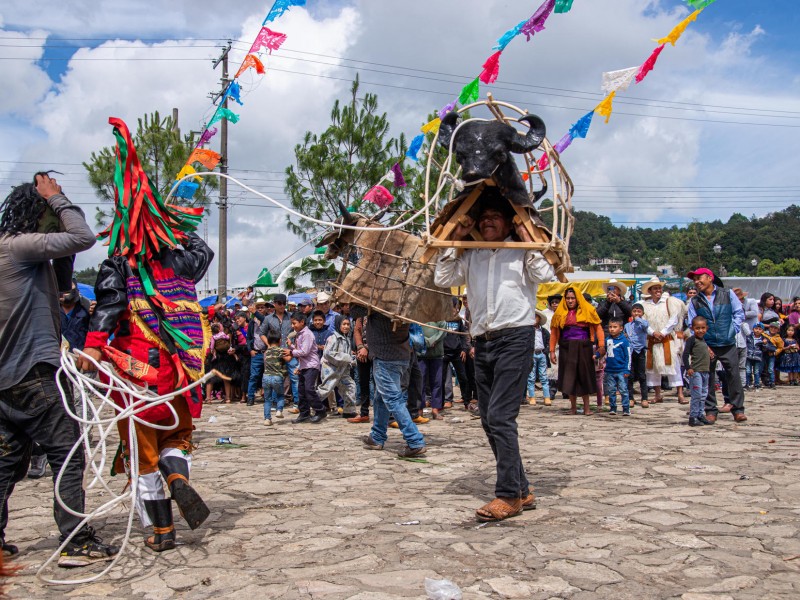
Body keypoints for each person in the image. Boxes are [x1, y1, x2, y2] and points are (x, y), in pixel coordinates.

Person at [80, 119, 213, 553]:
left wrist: (93, 349)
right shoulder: (180, 258)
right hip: (179, 370)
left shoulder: (118, 263)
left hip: (137, 376)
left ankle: (162, 531)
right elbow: (203, 252)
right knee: (179, 435)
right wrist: (174, 227)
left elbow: (108, 306)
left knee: (143, 453)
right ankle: (180, 477)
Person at [0, 173, 118, 566]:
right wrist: (60, 199)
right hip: (34, 374)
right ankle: (75, 539)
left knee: (5, 461)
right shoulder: (18, 247)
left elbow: (64, 285)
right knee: (67, 453)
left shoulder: (16, 255)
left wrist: (61, 255)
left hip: (6, 380)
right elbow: (83, 237)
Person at [435, 190, 554, 522]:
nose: (487, 220)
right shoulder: (471, 255)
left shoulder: (520, 253)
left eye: (495, 216)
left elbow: (547, 275)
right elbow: (442, 277)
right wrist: (455, 238)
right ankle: (522, 489)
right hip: (482, 341)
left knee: (501, 417)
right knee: (489, 418)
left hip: (515, 337)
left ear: (510, 222)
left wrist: (528, 237)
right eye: (482, 216)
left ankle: (507, 496)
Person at [360, 312, 426, 458]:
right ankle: (377, 436)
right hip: (401, 356)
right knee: (380, 397)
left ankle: (415, 440)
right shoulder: (404, 304)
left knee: (393, 399)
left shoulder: (382, 303)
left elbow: (356, 311)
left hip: (385, 358)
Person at [686, 267, 746, 422]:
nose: (697, 282)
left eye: (700, 278)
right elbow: (691, 323)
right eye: (695, 280)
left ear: (710, 277)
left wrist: (733, 329)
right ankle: (710, 410)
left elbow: (739, 313)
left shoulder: (727, 294)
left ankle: (738, 409)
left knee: (733, 375)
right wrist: (702, 344)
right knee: (708, 377)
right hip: (708, 343)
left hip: (727, 342)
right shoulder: (695, 300)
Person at [549, 288, 604, 416]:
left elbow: (598, 328)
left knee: (584, 376)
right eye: (568, 298)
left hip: (584, 347)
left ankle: (587, 408)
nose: (570, 301)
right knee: (569, 377)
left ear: (578, 298)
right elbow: (554, 333)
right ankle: (573, 407)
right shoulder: (560, 312)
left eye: (572, 298)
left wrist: (601, 345)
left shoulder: (588, 310)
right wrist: (552, 350)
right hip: (566, 348)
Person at [641, 277, 687, 404]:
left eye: (659, 288)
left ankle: (680, 393)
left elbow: (674, 319)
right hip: (652, 339)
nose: (658, 290)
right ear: (649, 291)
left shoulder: (669, 302)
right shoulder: (645, 305)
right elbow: (643, 321)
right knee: (653, 367)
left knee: (674, 365)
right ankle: (657, 394)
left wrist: (663, 332)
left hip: (667, 338)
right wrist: (652, 332)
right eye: (655, 288)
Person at [284, 311, 327, 423]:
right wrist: (291, 346)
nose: (292, 326)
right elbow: (301, 350)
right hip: (304, 366)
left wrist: (291, 352)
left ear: (302, 322)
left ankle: (320, 410)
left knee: (309, 389)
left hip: (311, 365)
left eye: (294, 323)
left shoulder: (307, 334)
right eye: (292, 323)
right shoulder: (300, 334)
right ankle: (304, 413)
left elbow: (304, 351)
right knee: (301, 391)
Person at [316, 316, 357, 417]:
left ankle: (349, 411)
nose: (346, 326)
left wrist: (352, 359)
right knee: (325, 390)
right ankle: (309, 406)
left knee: (350, 387)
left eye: (348, 324)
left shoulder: (346, 338)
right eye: (344, 324)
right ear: (339, 325)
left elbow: (346, 354)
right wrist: (347, 357)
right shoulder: (333, 338)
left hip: (343, 370)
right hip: (331, 370)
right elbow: (328, 353)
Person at [682, 316, 713, 427]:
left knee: (704, 394)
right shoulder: (692, 340)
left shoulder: (704, 340)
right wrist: (688, 368)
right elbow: (685, 355)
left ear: (707, 328)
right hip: (696, 372)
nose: (700, 330)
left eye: (703, 328)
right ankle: (693, 416)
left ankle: (700, 414)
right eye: (697, 328)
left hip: (705, 371)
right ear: (692, 328)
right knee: (697, 395)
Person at [442, 300, 472, 410]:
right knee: (441, 379)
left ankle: (467, 401)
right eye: (455, 307)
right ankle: (442, 402)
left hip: (457, 353)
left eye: (458, 307)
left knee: (463, 378)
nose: (457, 309)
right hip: (444, 353)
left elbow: (464, 335)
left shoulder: (459, 320)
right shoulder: (442, 318)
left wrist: (464, 349)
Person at [348, 315, 372, 424]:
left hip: (378, 352)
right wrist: (360, 347)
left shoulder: (379, 313)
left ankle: (388, 416)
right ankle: (364, 413)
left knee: (380, 383)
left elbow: (379, 333)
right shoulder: (361, 315)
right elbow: (357, 331)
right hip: (362, 353)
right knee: (363, 383)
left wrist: (367, 348)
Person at [604, 318, 631, 416]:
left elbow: (628, 356)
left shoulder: (624, 341)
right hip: (610, 370)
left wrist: (627, 369)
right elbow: (604, 350)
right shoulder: (607, 340)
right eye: (610, 327)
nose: (612, 329)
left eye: (615, 327)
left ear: (621, 328)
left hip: (621, 370)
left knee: (623, 390)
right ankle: (613, 407)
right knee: (611, 390)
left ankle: (626, 408)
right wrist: (597, 355)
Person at [625, 303, 650, 408]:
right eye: (634, 311)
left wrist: (638, 318)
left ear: (642, 313)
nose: (636, 313)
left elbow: (645, 326)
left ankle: (644, 398)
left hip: (640, 351)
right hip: (631, 352)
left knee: (642, 375)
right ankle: (630, 398)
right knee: (630, 375)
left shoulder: (643, 323)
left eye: (639, 311)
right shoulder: (627, 325)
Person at [262, 330, 287, 425]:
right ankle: (279, 410)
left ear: (268, 341)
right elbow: (288, 359)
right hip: (277, 377)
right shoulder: (280, 350)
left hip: (266, 377)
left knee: (267, 399)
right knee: (280, 395)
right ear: (280, 340)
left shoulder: (266, 352)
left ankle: (267, 419)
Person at [526, 310, 550, 406]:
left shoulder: (543, 331)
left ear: (539, 319)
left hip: (541, 353)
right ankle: (532, 397)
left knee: (543, 376)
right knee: (531, 377)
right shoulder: (528, 331)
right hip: (532, 353)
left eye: (536, 317)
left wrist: (546, 351)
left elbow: (549, 340)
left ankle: (546, 396)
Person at [745, 323, 765, 390]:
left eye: (760, 329)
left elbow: (768, 348)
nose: (757, 330)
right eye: (756, 328)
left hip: (758, 357)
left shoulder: (764, 338)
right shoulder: (748, 337)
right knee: (748, 371)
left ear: (762, 330)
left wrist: (765, 344)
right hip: (749, 356)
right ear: (753, 329)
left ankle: (757, 384)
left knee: (756, 371)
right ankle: (747, 383)